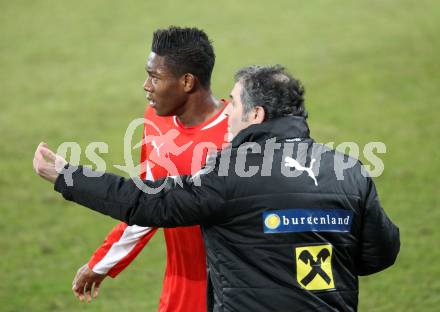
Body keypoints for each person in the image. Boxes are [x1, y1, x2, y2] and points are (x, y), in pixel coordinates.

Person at [34, 65, 400, 311]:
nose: (228, 116)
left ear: (256, 116)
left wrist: (67, 175)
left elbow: (150, 203)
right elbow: (381, 253)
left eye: (235, 104)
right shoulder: (349, 169)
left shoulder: (228, 174)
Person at [71, 26, 228, 311]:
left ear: (187, 82)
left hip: (233, 290)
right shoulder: (157, 121)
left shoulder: (239, 135)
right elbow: (147, 204)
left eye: (155, 76)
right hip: (180, 287)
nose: (146, 85)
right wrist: (102, 263)